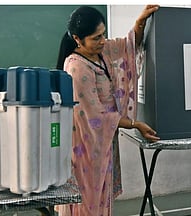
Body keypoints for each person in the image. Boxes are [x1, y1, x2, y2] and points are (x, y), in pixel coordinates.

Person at [55, 5, 160, 215]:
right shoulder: (77, 67)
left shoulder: (100, 52)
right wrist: (134, 123)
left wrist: (140, 23)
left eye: (103, 34)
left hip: (102, 141)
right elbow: (95, 116)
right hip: (84, 145)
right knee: (87, 199)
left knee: (100, 195)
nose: (102, 41)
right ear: (77, 39)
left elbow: (129, 45)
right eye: (96, 38)